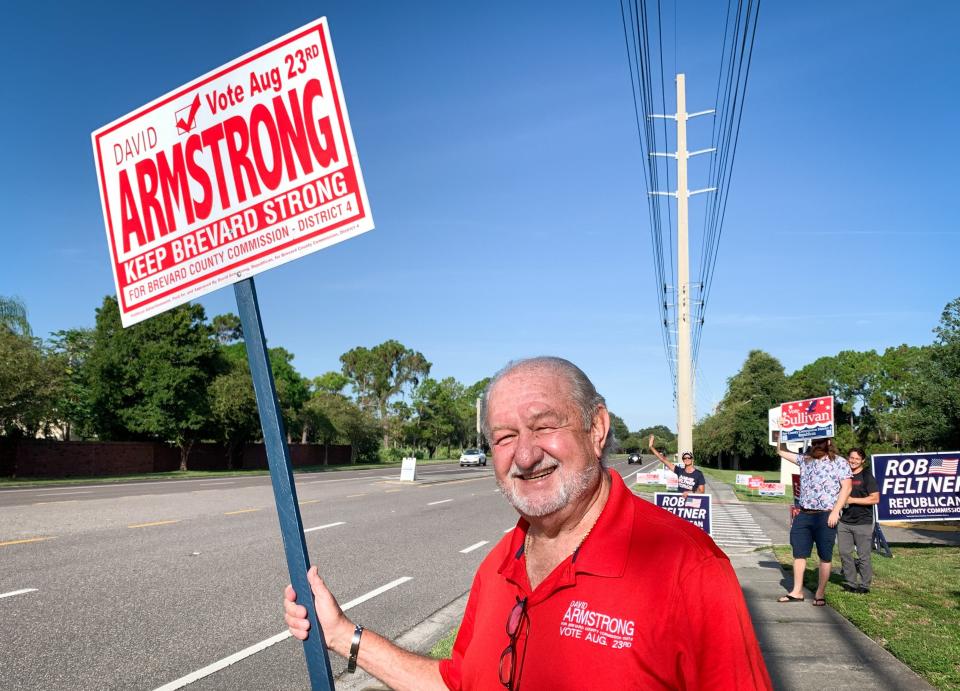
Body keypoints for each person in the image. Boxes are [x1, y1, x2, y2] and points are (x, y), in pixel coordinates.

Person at [284, 357, 772, 690]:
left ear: (596, 428)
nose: (524, 454)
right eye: (504, 436)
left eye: (543, 426)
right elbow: (461, 682)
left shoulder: (688, 569)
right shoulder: (497, 566)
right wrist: (339, 633)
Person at [775, 437, 852, 607]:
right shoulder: (805, 460)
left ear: (829, 443)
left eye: (820, 443)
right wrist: (781, 431)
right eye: (814, 443)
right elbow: (781, 451)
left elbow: (847, 487)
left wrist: (836, 510)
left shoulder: (839, 462)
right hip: (804, 514)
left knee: (825, 555)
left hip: (826, 514)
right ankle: (796, 591)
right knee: (799, 553)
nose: (816, 446)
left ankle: (820, 593)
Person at [837, 447, 880, 594]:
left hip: (863, 522)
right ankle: (851, 583)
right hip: (844, 522)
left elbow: (875, 498)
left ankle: (865, 585)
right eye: (851, 458)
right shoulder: (843, 475)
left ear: (862, 461)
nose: (853, 461)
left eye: (857, 458)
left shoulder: (867, 476)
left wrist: (851, 500)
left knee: (863, 556)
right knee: (844, 553)